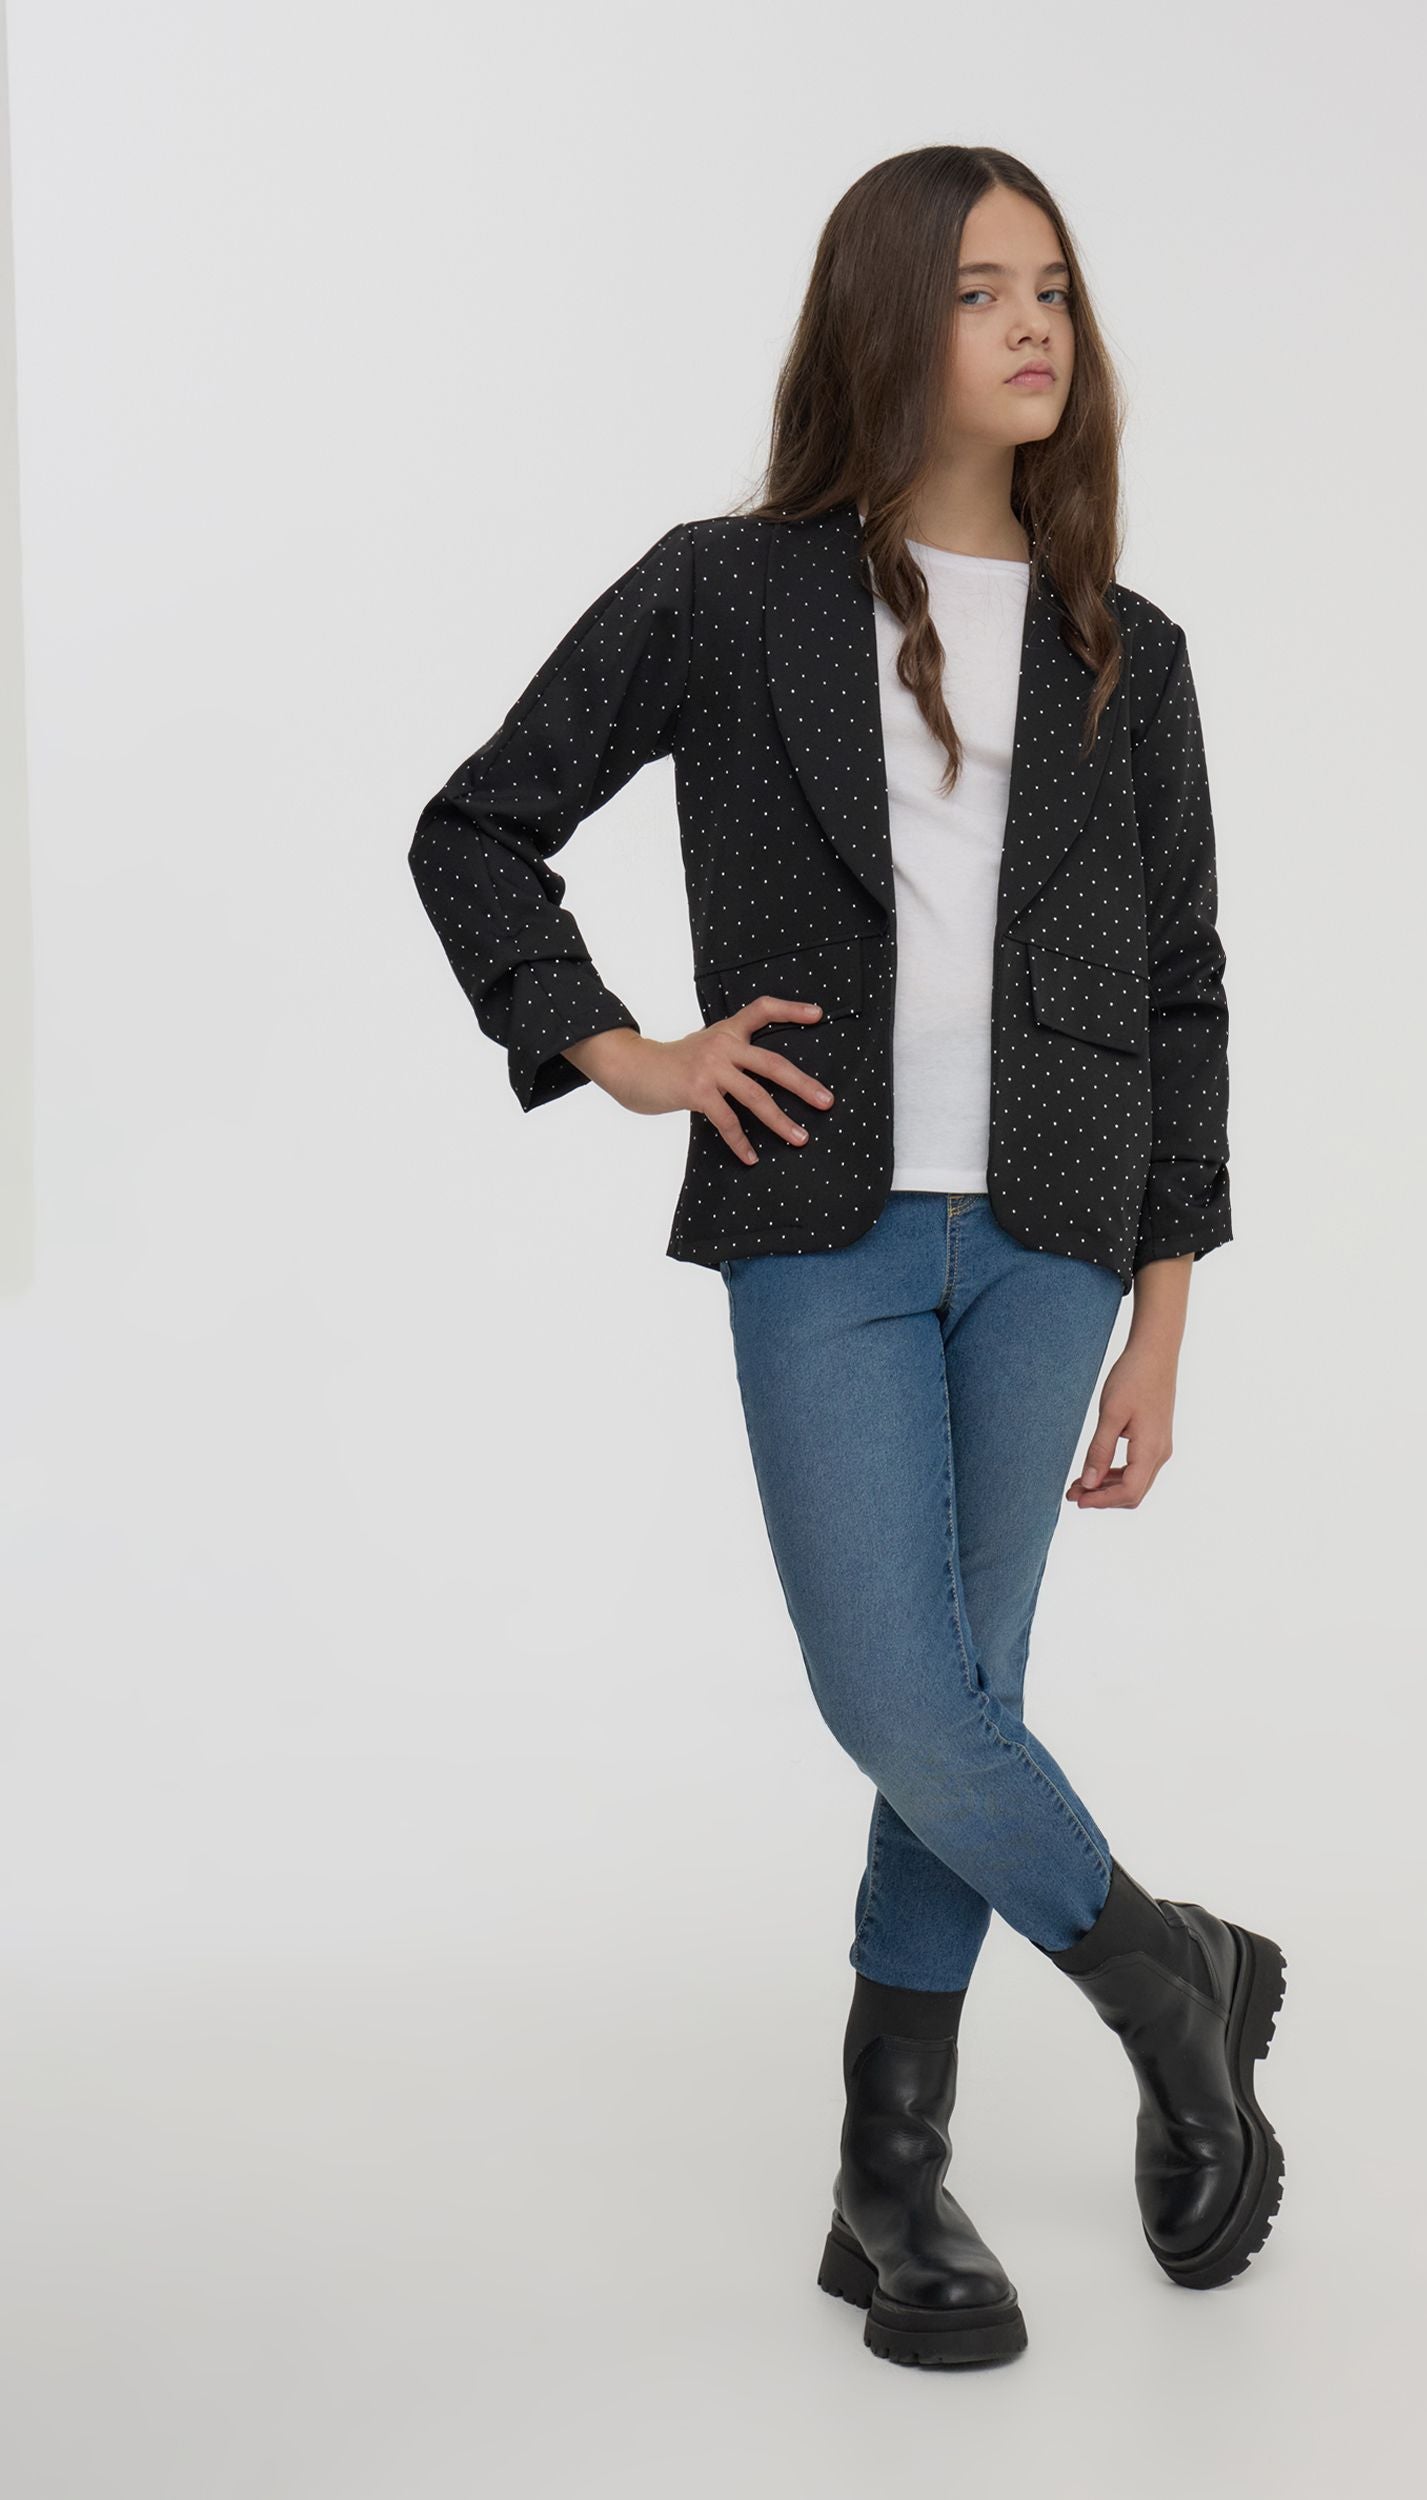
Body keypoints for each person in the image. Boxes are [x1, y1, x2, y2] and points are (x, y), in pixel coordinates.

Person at [408, 145, 1286, 2370]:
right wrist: (617, 1049)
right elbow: (478, 822)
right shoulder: (728, 591)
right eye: (979, 288)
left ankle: (886, 2178)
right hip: (819, 1214)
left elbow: (1181, 987)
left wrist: (1163, 1316)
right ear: (887, 319)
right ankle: (1167, 1978)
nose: (1031, 325)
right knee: (900, 1693)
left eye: (1052, 288)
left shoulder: (1126, 650)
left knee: (954, 1703)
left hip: (1058, 1231)